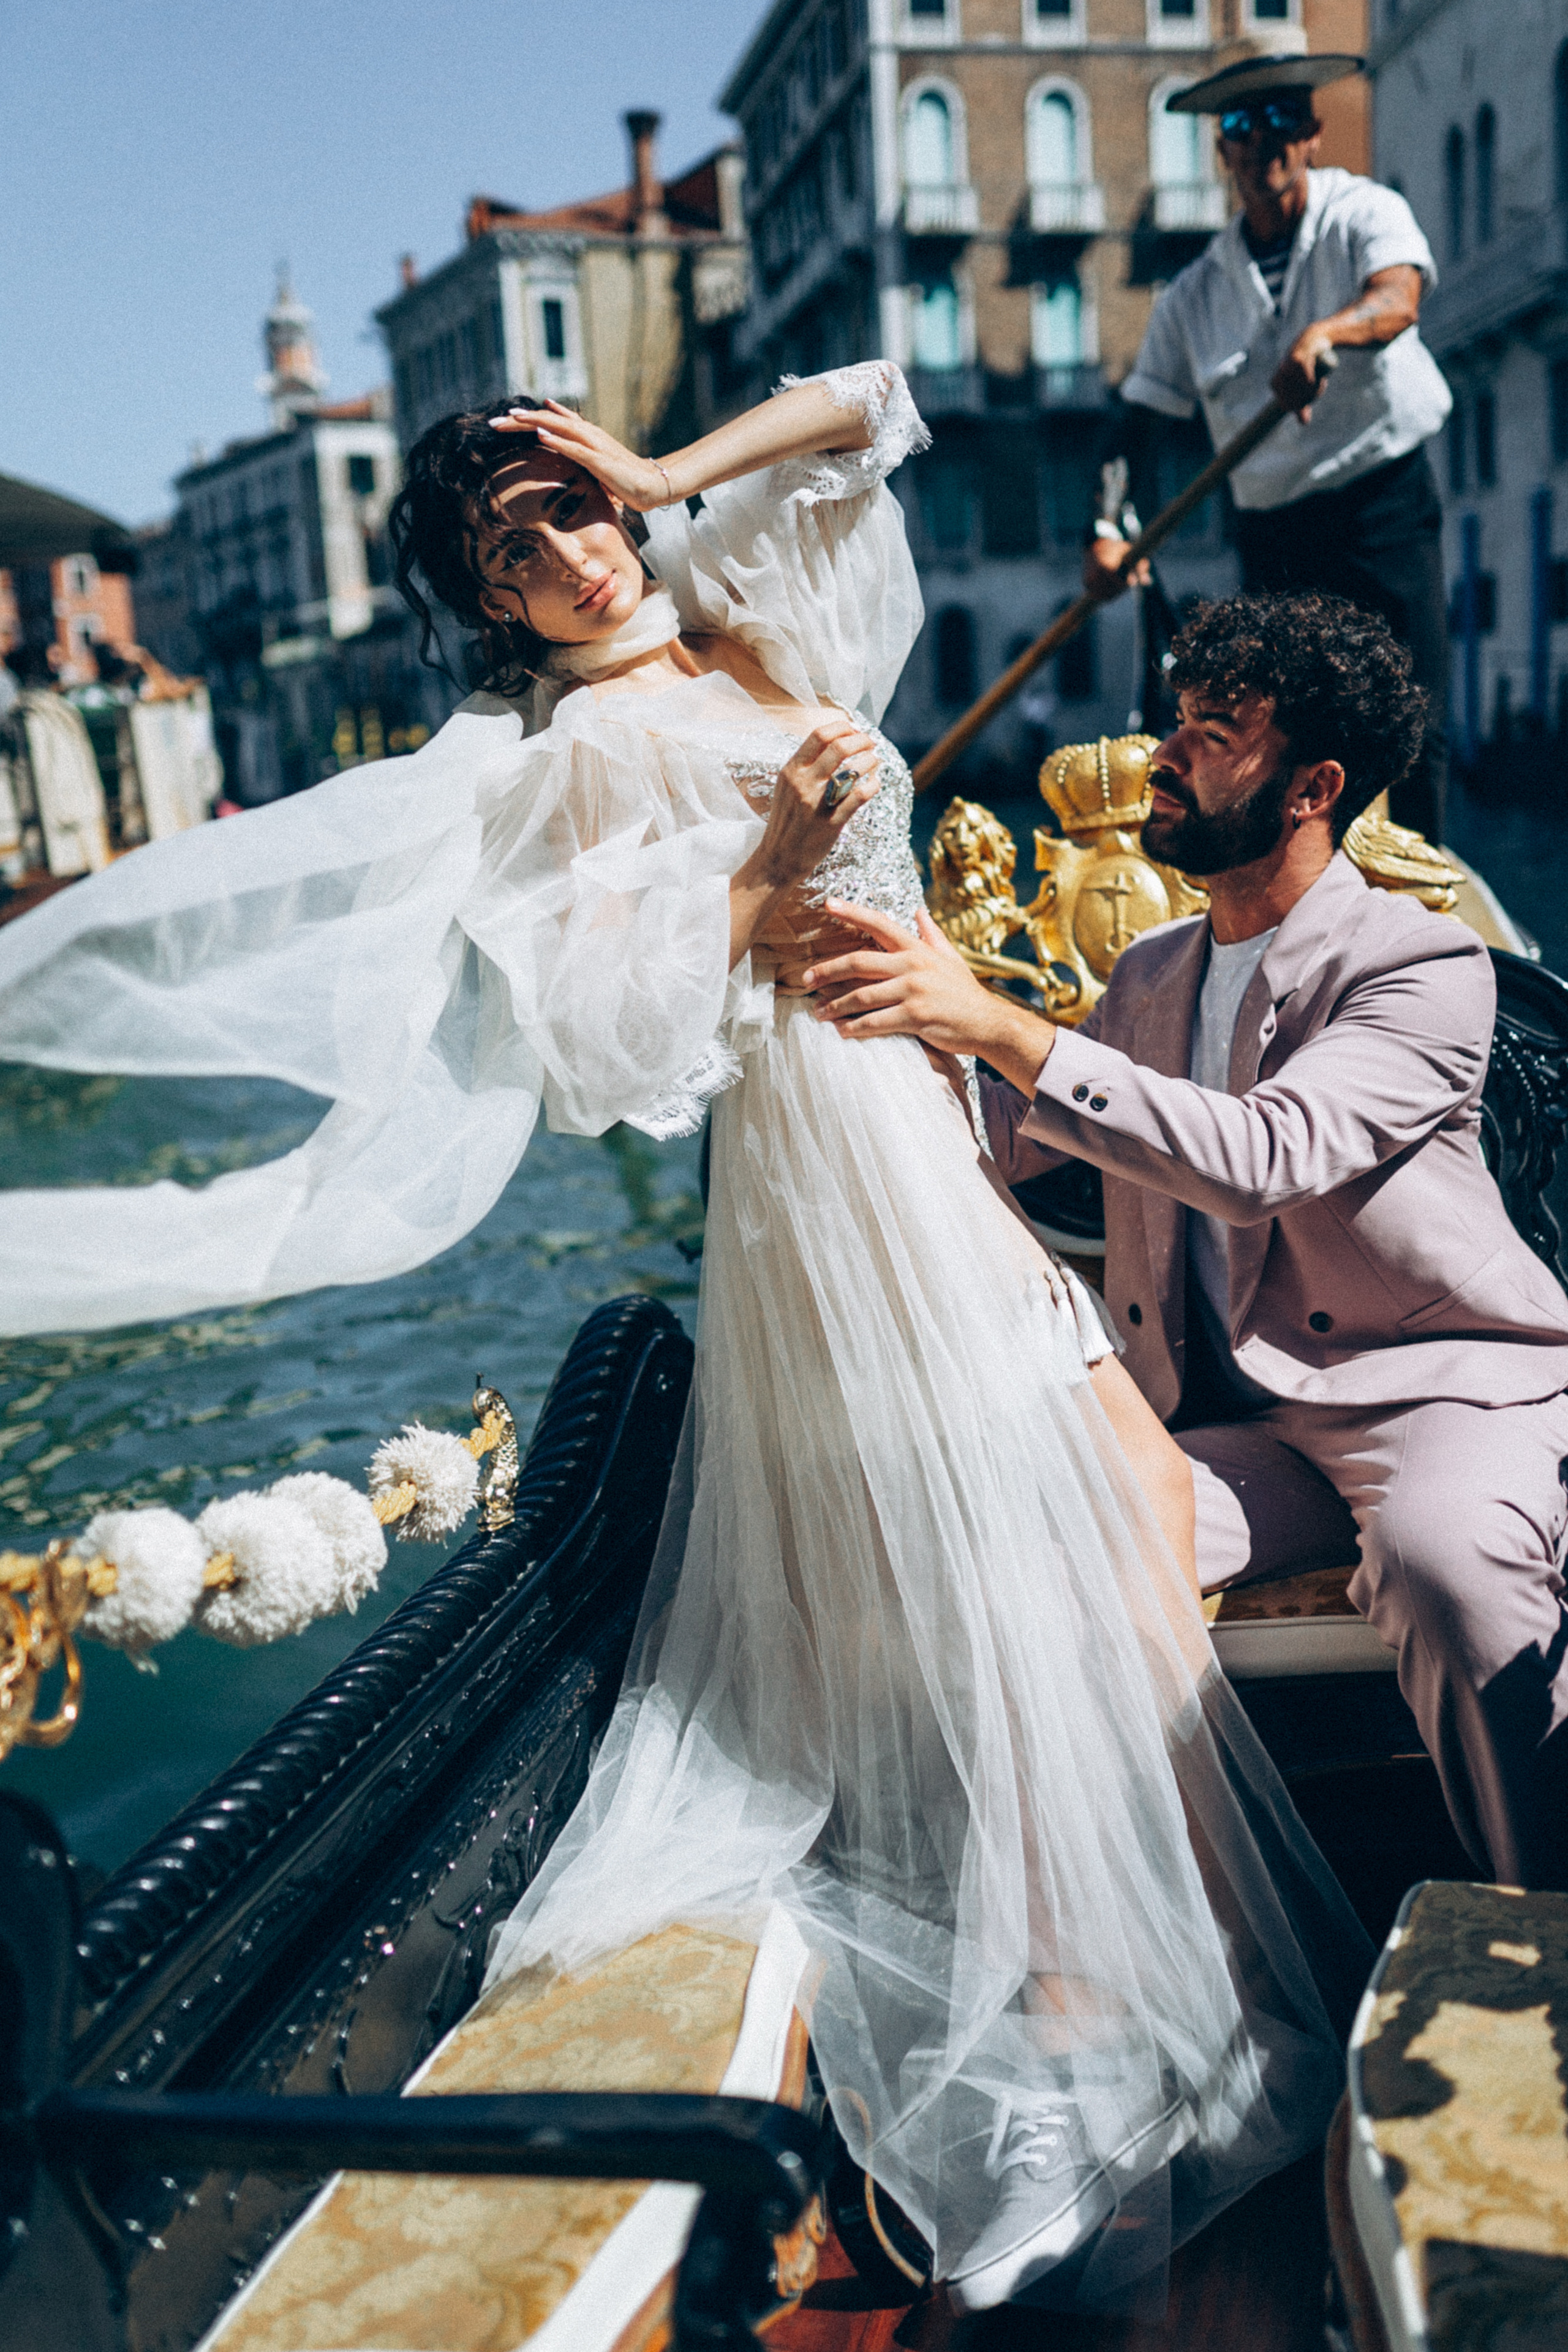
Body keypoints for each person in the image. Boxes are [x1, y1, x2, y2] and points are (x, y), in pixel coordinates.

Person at [0, 375, 1367, 2313]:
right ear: (485, 607)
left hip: (928, 1140)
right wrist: (765, 860)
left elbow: (866, 411)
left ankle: (1156, 1986)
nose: (570, 556)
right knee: (1022, 1568)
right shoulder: (560, 757)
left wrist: (658, 468)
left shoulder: (750, 621)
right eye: (514, 550)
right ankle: (1072, 2020)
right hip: (827, 1166)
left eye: (573, 509)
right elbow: (606, 1041)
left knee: (1129, 1508)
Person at [809, 589, 1568, 1896]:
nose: (1165, 754)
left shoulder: (1421, 966)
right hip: (1236, 1427)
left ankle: (1539, 1911)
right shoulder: (1151, 973)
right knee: (1025, 1543)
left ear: (1308, 787)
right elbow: (1018, 1140)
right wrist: (853, 1058)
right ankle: (1187, 1933)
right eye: (1178, 720)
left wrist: (993, 1022)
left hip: (1438, 1393)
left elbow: (1259, 1158)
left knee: (1446, 1566)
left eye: (1214, 733)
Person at [1084, 51, 1453, 842]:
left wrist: (1329, 332)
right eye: (1244, 127)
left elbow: (1398, 296)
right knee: (1283, 730)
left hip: (1381, 505)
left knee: (1413, 718)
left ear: (1313, 133)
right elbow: (1138, 425)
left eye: (1283, 120)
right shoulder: (1192, 296)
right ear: (1224, 150)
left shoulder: (1364, 213)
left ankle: (1426, 897)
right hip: (1276, 530)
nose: (1265, 144)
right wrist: (1109, 532)